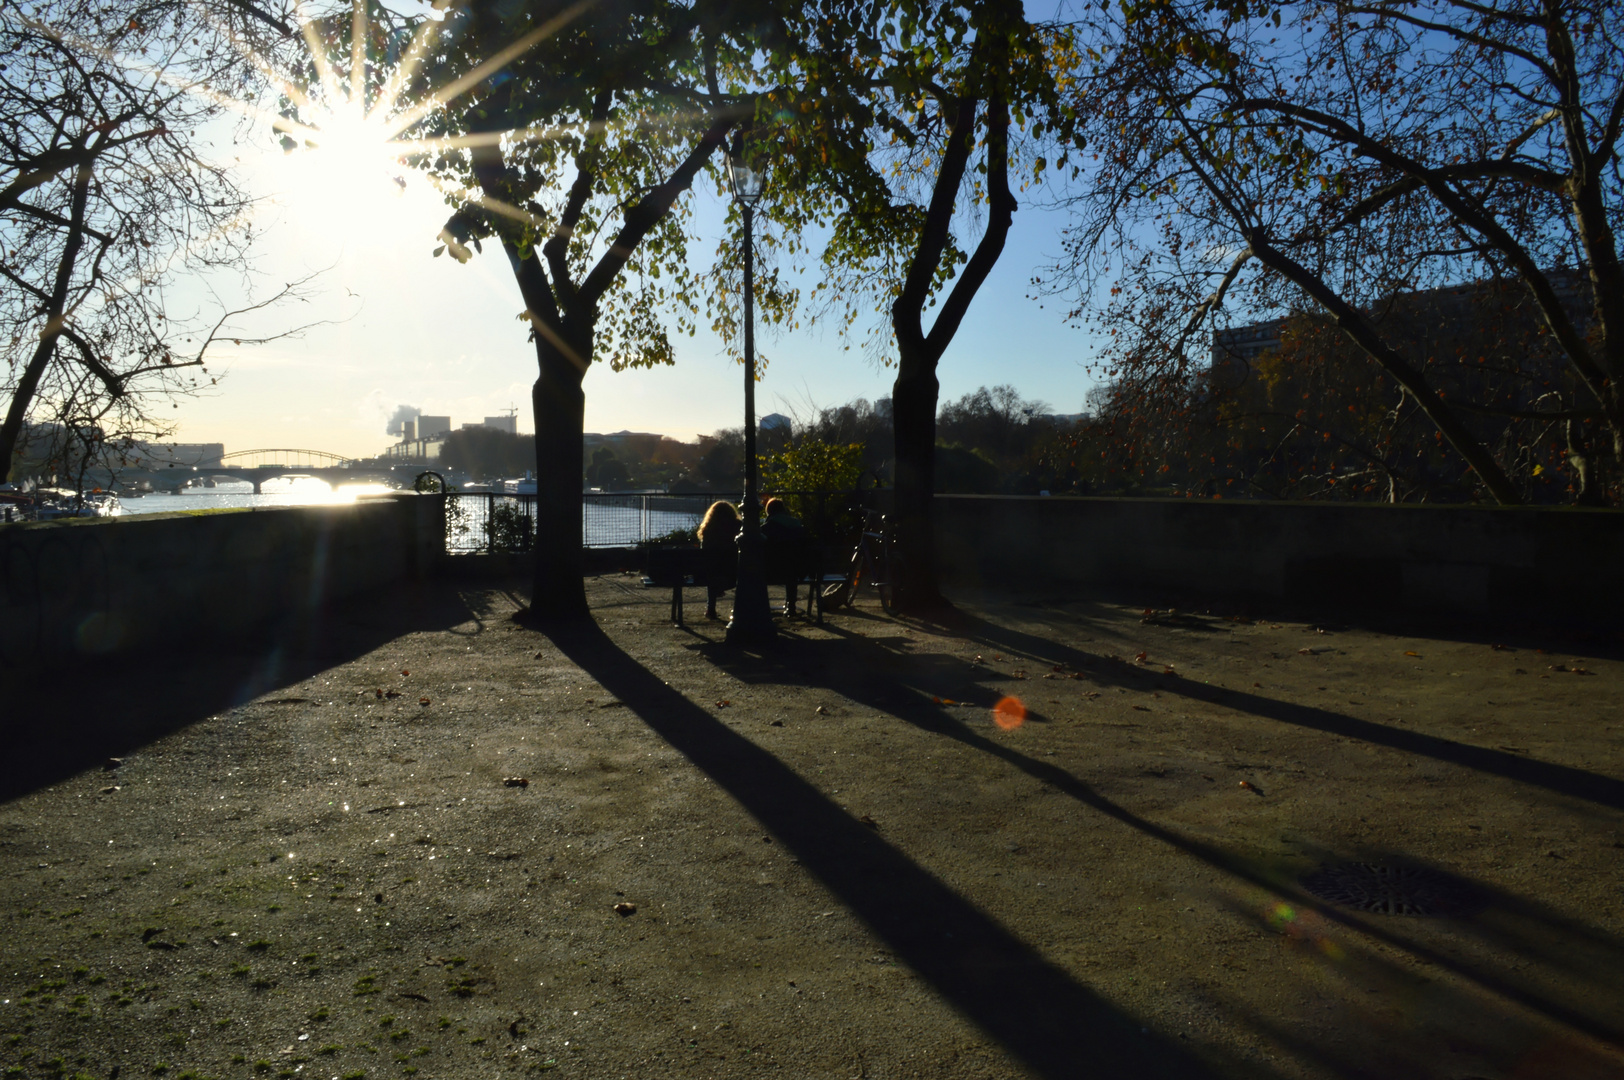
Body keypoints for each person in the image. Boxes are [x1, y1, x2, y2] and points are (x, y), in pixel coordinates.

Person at [761, 497, 809, 616]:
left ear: (769, 512)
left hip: (771, 570)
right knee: (790, 567)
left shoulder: (766, 529)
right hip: (798, 570)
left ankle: (762, 606)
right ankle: (791, 605)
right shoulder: (798, 526)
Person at [697, 500, 741, 619]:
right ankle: (739, 609)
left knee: (712, 570)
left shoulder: (708, 530)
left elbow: (704, 552)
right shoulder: (738, 526)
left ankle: (711, 609)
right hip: (733, 573)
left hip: (711, 574)